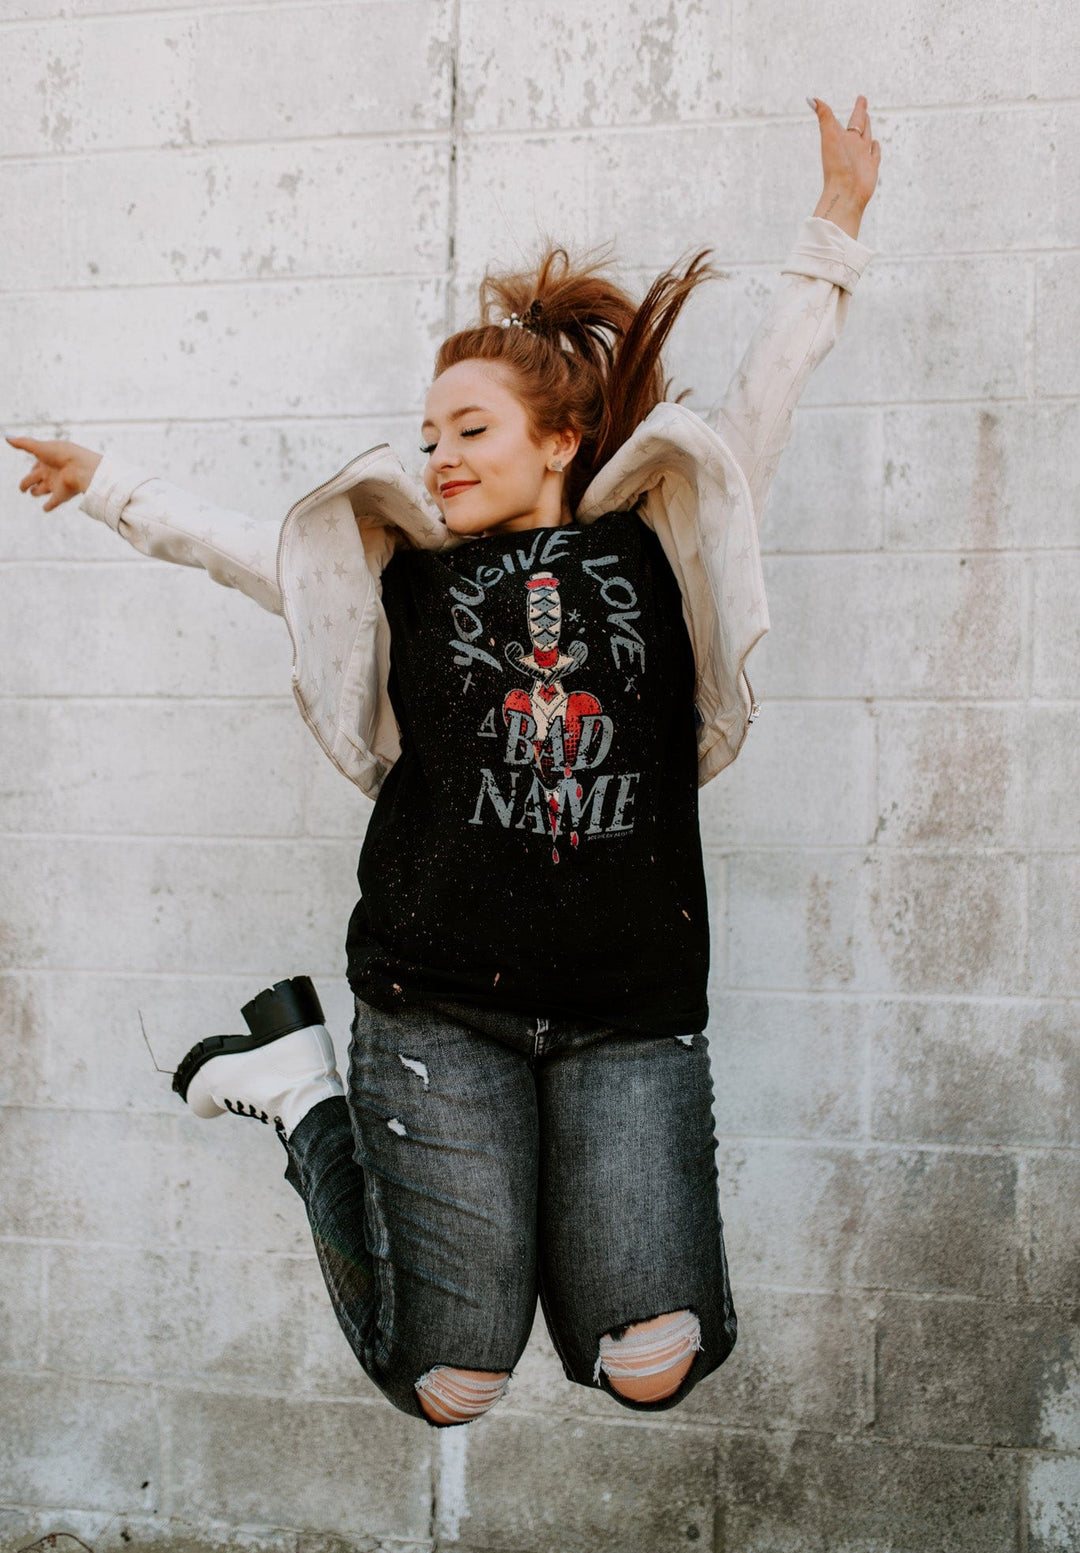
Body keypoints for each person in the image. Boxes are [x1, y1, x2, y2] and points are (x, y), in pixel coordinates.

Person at [8, 95, 880, 1427]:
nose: (440, 453)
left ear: (560, 437)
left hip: (630, 1007)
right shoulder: (402, 571)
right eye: (429, 433)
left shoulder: (661, 538)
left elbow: (767, 389)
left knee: (654, 1359)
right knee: (447, 1380)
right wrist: (112, 482)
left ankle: (376, 1133)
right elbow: (253, 553)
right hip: (437, 1003)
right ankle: (304, 1096)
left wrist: (838, 224)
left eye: (470, 427)